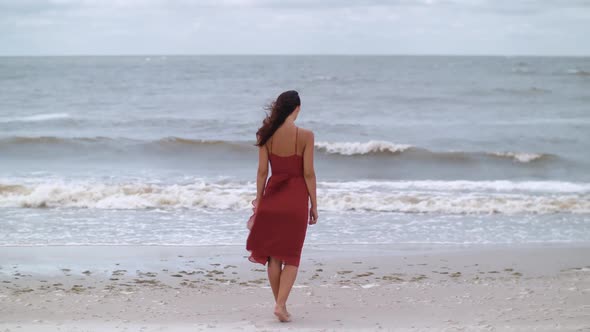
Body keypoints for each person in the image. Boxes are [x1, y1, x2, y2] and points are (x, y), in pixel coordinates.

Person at [246, 90, 318, 322]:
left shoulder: (266, 134)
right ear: (296, 108)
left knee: (274, 258)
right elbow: (308, 173)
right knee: (292, 257)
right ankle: (280, 305)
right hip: (296, 201)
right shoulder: (306, 136)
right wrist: (314, 205)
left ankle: (281, 305)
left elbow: (261, 172)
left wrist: (259, 201)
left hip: (272, 199)